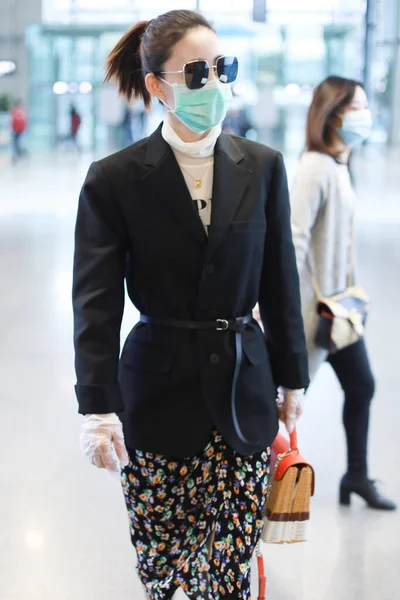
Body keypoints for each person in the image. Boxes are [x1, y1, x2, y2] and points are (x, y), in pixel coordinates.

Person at [72, 10, 309, 599]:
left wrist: (292, 382)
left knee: (225, 574)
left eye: (224, 69)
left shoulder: (263, 166)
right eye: (199, 73)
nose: (217, 85)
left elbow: (281, 282)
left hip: (243, 392)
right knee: (163, 565)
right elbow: (95, 304)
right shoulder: (115, 179)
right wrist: (97, 407)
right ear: (157, 85)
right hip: (156, 398)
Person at [290, 76, 396, 511]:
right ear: (334, 113)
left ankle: (355, 476)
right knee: (288, 407)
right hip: (312, 316)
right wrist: (275, 312)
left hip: (340, 311)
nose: (365, 115)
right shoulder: (315, 168)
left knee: (362, 385)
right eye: (359, 106)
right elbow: (293, 241)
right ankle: (249, 492)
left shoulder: (338, 164)